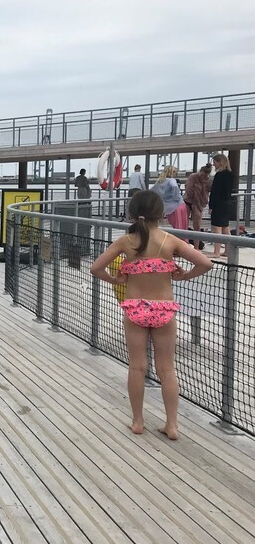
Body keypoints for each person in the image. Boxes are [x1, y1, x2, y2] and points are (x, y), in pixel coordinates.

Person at [90, 191, 211, 439]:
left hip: (135, 308)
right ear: (162, 214)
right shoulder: (170, 240)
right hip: (164, 309)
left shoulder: (126, 242)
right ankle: (172, 426)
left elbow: (95, 268)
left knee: (137, 367)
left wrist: (115, 278)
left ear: (132, 214)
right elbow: (206, 263)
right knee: (167, 370)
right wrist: (184, 275)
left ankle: (137, 421)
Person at [208, 153, 236, 259]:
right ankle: (228, 250)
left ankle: (216, 252)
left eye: (215, 162)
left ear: (220, 162)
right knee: (225, 227)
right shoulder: (230, 174)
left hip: (219, 204)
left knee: (217, 228)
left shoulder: (219, 175)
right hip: (227, 203)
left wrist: (211, 206)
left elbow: (215, 192)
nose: (214, 165)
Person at [183, 164, 212, 247]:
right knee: (184, 223)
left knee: (197, 226)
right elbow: (189, 190)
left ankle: (196, 246)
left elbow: (210, 189)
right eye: (202, 175)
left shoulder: (208, 180)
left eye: (205, 176)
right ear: (200, 172)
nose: (203, 177)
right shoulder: (193, 177)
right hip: (188, 201)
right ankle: (185, 243)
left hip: (200, 203)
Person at [150, 165, 187, 229]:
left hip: (168, 208)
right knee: (182, 227)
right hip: (178, 205)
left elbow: (151, 191)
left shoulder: (159, 181)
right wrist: (176, 197)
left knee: (175, 226)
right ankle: (182, 239)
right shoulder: (171, 180)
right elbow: (175, 186)